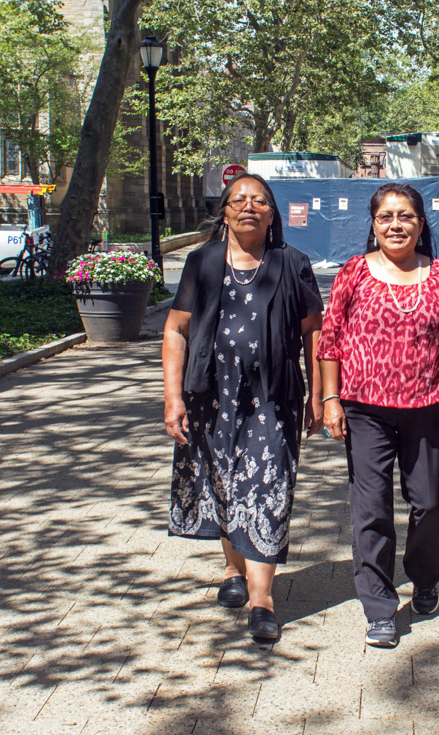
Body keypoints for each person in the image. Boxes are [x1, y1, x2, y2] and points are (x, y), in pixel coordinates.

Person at [317, 183, 439, 649]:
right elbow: (329, 341)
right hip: (364, 409)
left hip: (429, 408)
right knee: (370, 509)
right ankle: (379, 607)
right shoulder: (352, 273)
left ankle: (425, 577)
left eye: (405, 216)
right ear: (373, 225)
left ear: (421, 223)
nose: (396, 225)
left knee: (430, 503)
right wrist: (331, 400)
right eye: (386, 216)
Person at [162, 173, 324, 641]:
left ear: (272, 214)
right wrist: (173, 397)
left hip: (274, 394)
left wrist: (317, 392)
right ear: (225, 212)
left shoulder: (292, 263)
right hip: (210, 392)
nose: (249, 207)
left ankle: (262, 598)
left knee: (269, 480)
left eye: (260, 201)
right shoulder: (202, 261)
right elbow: (176, 329)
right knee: (222, 479)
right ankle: (233, 571)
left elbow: (314, 331)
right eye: (239, 200)